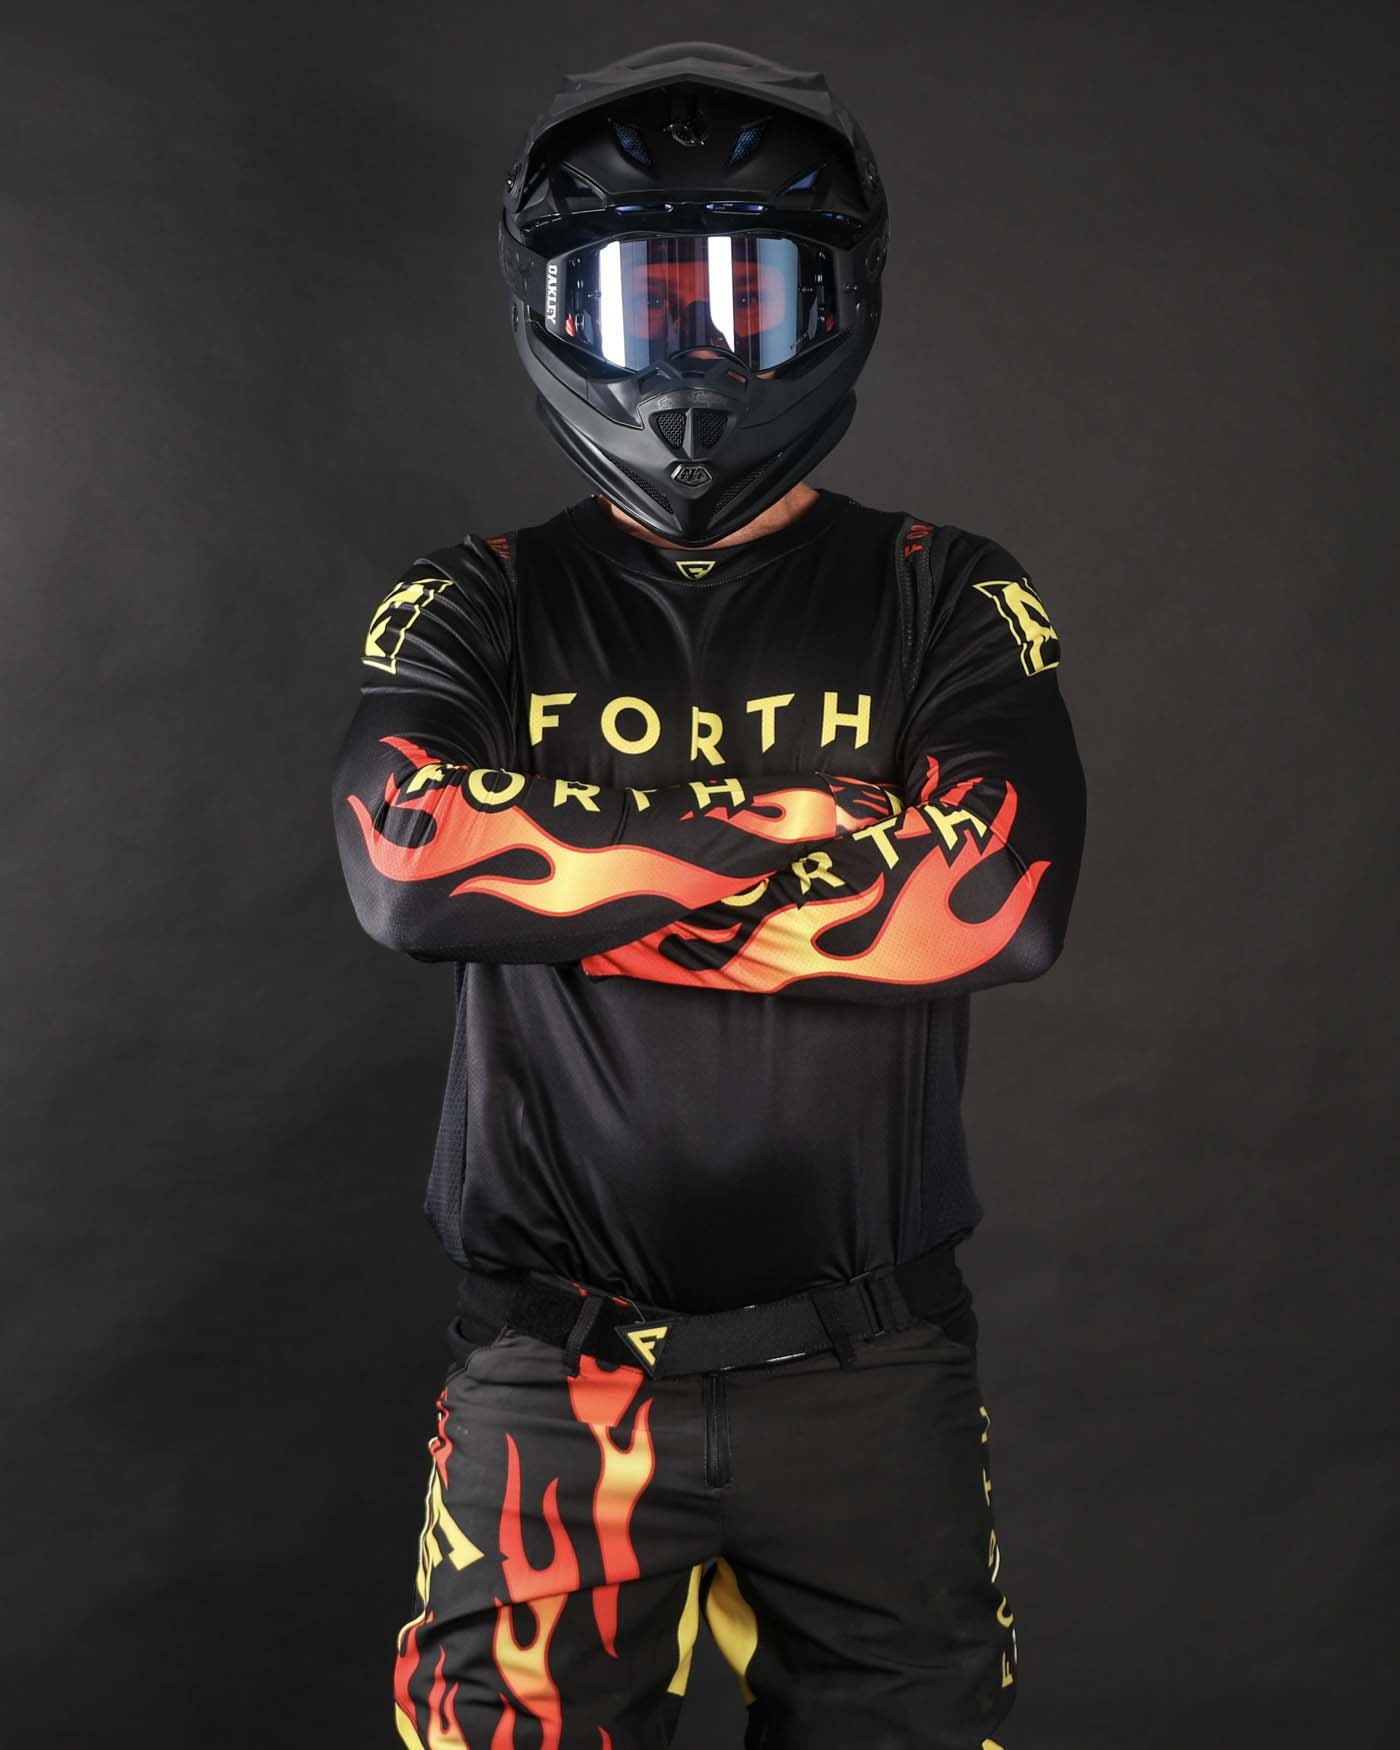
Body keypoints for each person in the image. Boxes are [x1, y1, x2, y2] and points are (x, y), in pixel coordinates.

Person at [331, 40, 1086, 1750]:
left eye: (747, 298)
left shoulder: (945, 591)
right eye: (645, 298)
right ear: (556, 307)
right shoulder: (478, 596)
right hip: (556, 1382)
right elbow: (406, 864)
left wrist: (564, 880)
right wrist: (816, 827)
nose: (691, 355)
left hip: (870, 1375)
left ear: (836, 304)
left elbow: (1001, 899)